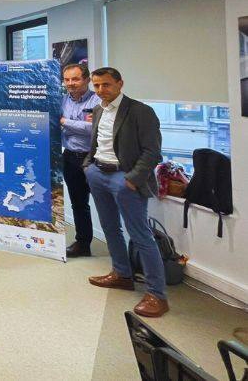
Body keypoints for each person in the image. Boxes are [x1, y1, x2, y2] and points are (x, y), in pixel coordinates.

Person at [83, 67, 167, 318]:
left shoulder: (141, 111)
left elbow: (153, 151)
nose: (101, 90)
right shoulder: (98, 109)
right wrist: (88, 166)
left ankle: (157, 295)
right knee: (110, 227)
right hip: (98, 173)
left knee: (140, 235)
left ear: (120, 84)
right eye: (97, 85)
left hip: (125, 178)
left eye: (106, 85)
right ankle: (122, 274)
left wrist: (132, 179)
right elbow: (97, 143)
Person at [59, 64, 102, 258]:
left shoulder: (98, 101)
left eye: (75, 79)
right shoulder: (62, 101)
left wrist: (65, 122)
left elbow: (93, 129)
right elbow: (82, 127)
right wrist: (79, 125)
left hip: (93, 158)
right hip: (70, 157)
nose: (70, 83)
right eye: (67, 79)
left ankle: (120, 248)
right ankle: (83, 244)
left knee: (105, 204)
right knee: (78, 204)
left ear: (86, 80)